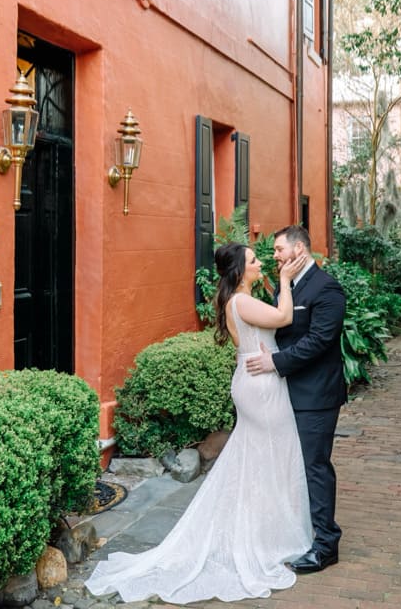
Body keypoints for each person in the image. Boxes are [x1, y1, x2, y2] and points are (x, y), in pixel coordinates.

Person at [85, 242, 312, 603]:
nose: (261, 263)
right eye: (255, 261)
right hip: (260, 386)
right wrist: (285, 279)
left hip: (257, 378)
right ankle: (260, 537)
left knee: (257, 458)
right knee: (268, 456)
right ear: (239, 271)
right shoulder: (240, 301)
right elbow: (285, 317)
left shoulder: (239, 299)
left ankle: (260, 528)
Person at [245, 225, 347, 572]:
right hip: (286, 393)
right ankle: (300, 532)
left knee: (314, 467)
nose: (274, 256)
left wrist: (274, 361)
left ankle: (326, 544)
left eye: (278, 250)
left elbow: (319, 341)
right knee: (292, 468)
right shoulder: (287, 287)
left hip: (316, 395)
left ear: (299, 249)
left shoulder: (327, 289)